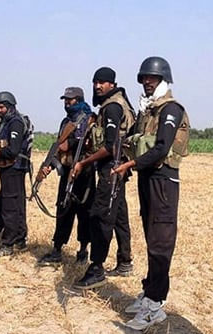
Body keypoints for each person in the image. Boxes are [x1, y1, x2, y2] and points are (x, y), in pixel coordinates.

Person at [113, 56, 190, 331]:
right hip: (148, 179)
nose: (147, 82)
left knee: (161, 244)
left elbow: (160, 148)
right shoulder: (148, 110)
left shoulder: (170, 109)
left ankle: (156, 304)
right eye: (144, 78)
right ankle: (149, 292)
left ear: (163, 80)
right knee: (151, 239)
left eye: (152, 78)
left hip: (163, 181)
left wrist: (130, 164)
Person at [71, 67, 135, 289]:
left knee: (100, 216)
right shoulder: (112, 105)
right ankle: (125, 261)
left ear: (112, 84)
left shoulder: (113, 107)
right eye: (95, 82)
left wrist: (82, 162)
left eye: (102, 83)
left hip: (112, 169)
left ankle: (96, 267)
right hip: (117, 169)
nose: (97, 86)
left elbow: (110, 146)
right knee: (119, 216)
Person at [37, 87, 95, 267]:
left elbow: (90, 142)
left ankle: (83, 249)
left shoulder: (90, 119)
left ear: (79, 100)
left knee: (84, 212)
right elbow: (59, 146)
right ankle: (57, 248)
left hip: (84, 172)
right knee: (63, 209)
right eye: (65, 100)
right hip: (67, 171)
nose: (66, 104)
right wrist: (48, 166)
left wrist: (69, 143)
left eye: (70, 100)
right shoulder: (66, 122)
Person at [0, 91, 30, 256]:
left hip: (14, 168)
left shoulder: (15, 122)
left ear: (10, 106)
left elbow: (13, 150)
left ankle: (8, 244)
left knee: (10, 207)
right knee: (13, 203)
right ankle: (20, 239)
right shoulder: (5, 122)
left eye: (1, 107)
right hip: (9, 169)